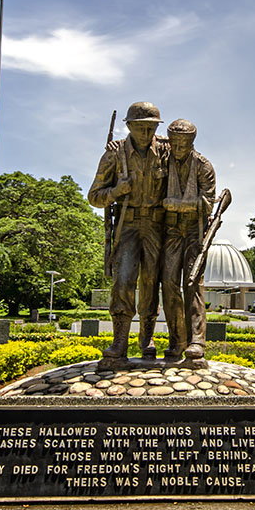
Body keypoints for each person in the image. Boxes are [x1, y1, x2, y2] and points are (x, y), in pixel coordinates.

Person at [88, 102, 167, 361]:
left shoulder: (166, 151)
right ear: (129, 126)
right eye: (141, 128)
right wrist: (116, 192)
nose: (147, 133)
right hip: (127, 224)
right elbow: (94, 196)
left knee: (150, 283)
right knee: (122, 281)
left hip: (157, 225)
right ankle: (120, 339)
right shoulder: (114, 154)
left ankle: (147, 337)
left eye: (152, 128)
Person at [160, 119, 215, 361]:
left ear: (192, 143)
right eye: (175, 145)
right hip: (171, 231)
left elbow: (208, 203)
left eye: (184, 146)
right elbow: (143, 140)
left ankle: (197, 341)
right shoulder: (163, 159)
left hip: (194, 230)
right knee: (169, 282)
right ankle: (177, 339)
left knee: (192, 284)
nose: (179, 150)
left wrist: (176, 205)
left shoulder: (204, 167)